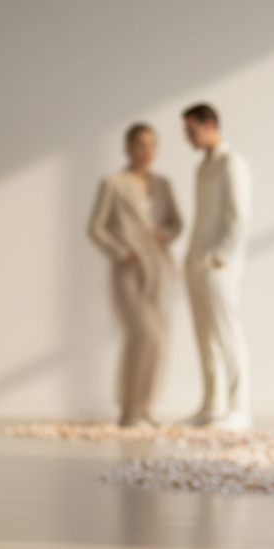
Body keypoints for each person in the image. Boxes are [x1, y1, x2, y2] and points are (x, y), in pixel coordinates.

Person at [88, 123, 183, 426]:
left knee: (159, 339)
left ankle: (146, 408)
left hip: (161, 269)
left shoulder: (163, 184)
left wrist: (163, 235)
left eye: (153, 145)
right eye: (141, 145)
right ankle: (128, 410)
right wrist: (121, 252)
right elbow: (95, 227)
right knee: (142, 334)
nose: (147, 152)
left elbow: (177, 223)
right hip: (129, 268)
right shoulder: (112, 184)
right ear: (128, 147)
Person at [181, 103, 252, 430]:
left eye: (191, 130)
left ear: (209, 124)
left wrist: (219, 258)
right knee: (204, 337)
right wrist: (194, 257)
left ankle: (240, 409)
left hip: (218, 266)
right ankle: (213, 405)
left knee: (228, 334)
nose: (188, 137)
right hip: (195, 261)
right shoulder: (202, 167)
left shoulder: (232, 163)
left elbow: (238, 216)